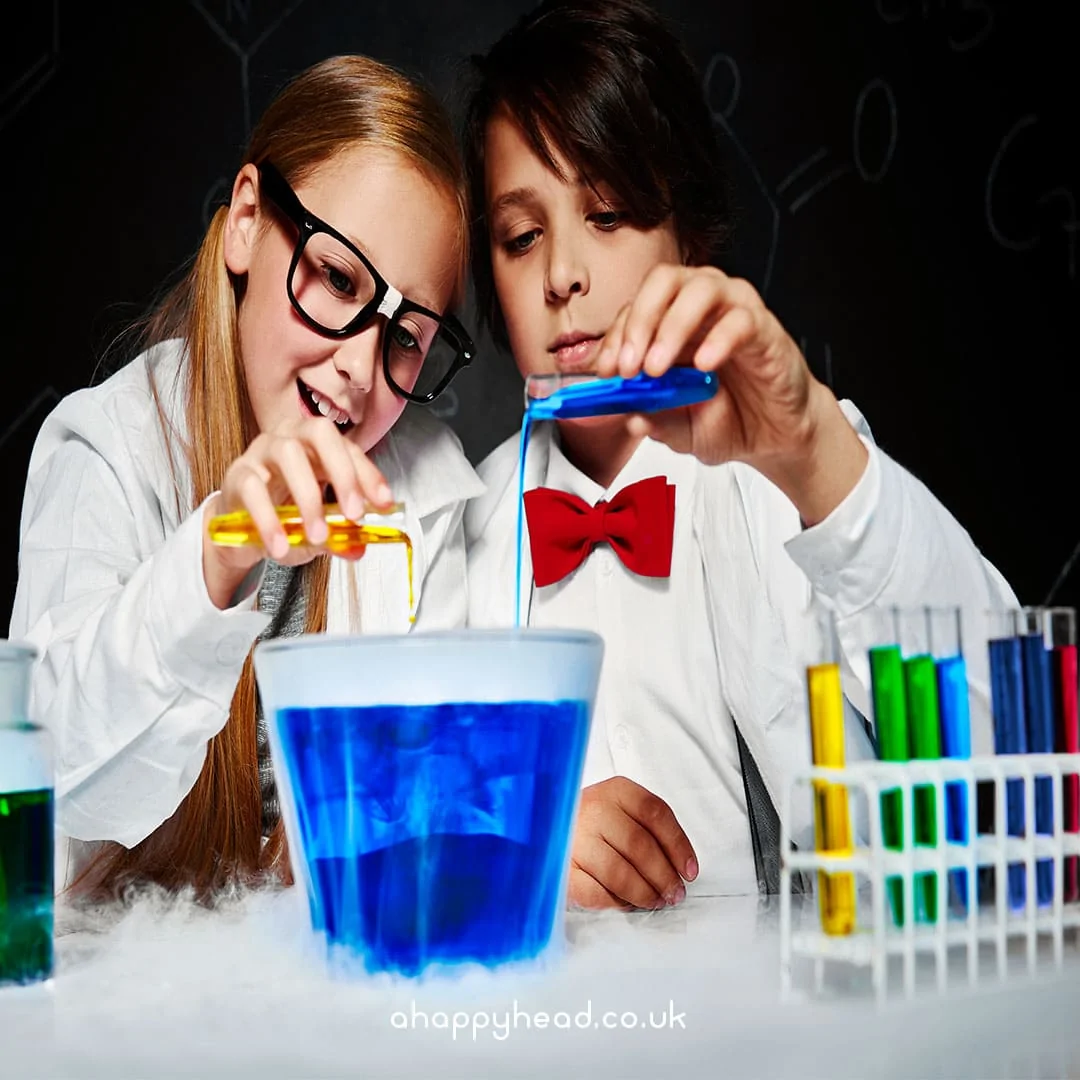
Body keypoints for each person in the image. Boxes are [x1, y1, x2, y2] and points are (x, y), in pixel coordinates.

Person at [462, 0, 1017, 909]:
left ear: (690, 237)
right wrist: (506, 852)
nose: (562, 272)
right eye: (521, 236)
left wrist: (817, 461)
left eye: (608, 213)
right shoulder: (455, 533)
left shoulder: (791, 477)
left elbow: (1006, 760)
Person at [9, 55, 483, 898]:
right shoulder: (107, 448)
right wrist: (217, 553)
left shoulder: (429, 492)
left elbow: (430, 802)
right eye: (339, 279)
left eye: (407, 336)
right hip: (121, 994)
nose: (360, 370)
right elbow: (58, 776)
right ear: (247, 221)